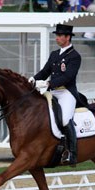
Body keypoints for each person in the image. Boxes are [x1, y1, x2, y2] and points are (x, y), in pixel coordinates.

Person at [28, 24, 82, 165]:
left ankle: (72, 153)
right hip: (52, 92)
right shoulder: (54, 54)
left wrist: (48, 84)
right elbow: (45, 71)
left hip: (66, 92)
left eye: (60, 36)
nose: (57, 38)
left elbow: (68, 77)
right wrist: (34, 78)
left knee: (64, 119)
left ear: (68, 37)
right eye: (56, 35)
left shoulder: (75, 56)